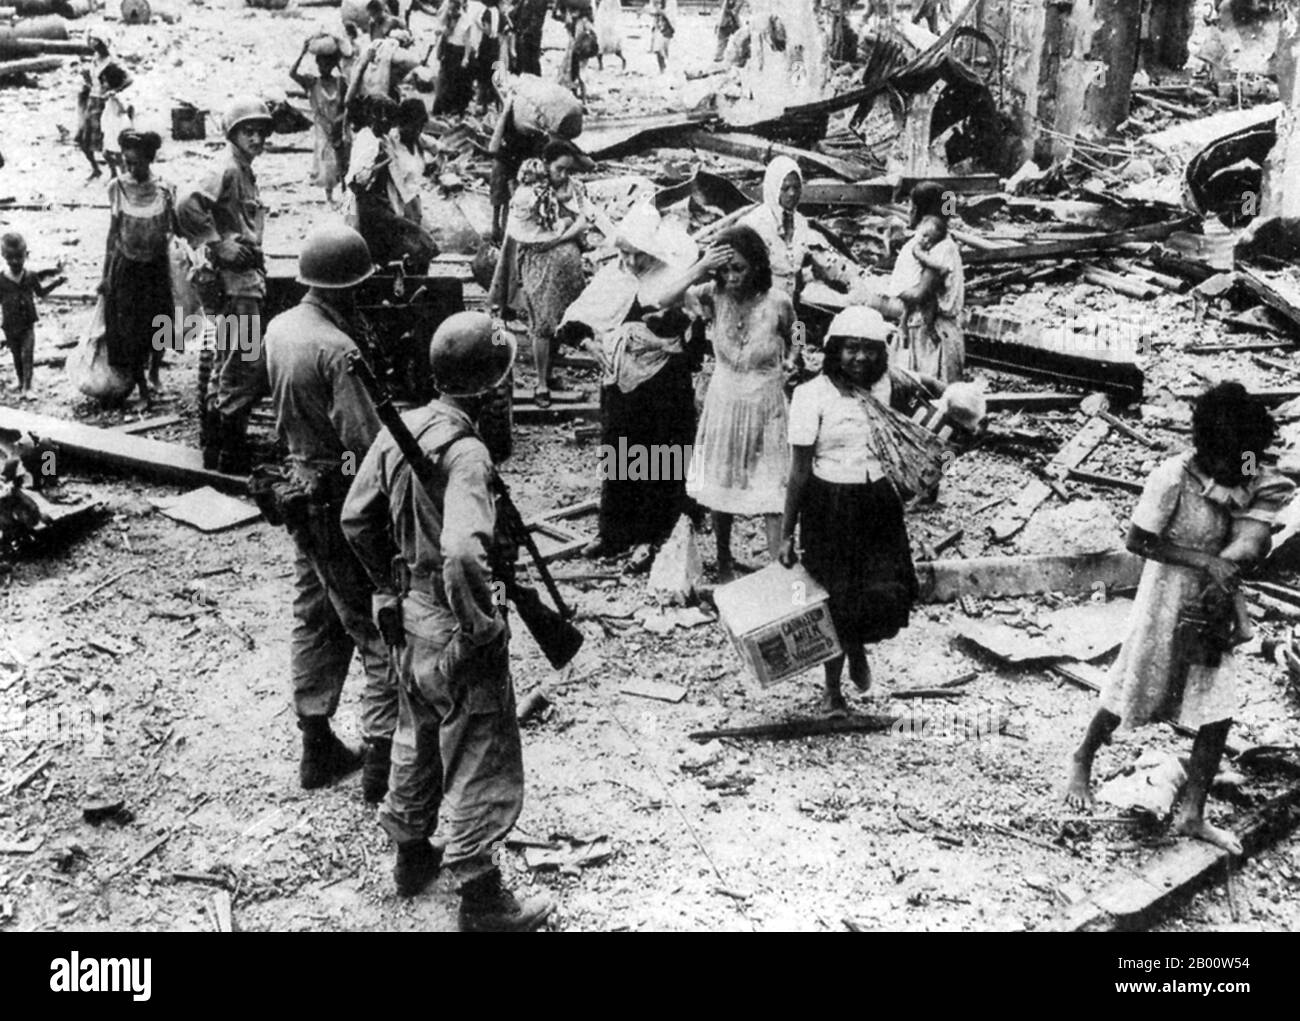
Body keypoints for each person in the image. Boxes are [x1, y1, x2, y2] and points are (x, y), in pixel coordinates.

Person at [341, 310, 556, 930]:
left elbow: (356, 520)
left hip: (410, 616)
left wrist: (388, 586)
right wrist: (481, 625)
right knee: (478, 749)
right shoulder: (466, 455)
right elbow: (464, 552)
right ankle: (482, 898)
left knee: (417, 734)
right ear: (491, 387)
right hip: (454, 620)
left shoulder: (403, 427)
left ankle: (412, 856)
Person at [1063, 383, 1295, 854]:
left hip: (1217, 597)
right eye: (1231, 459)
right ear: (1208, 448)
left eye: (1245, 457)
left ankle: (1192, 813)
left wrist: (1243, 547)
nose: (1239, 468)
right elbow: (1139, 542)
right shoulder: (1171, 477)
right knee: (1137, 684)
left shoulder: (1245, 462)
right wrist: (1203, 560)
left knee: (1217, 705)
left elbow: (1261, 489)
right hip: (1167, 593)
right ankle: (1083, 756)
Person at [263, 224, 399, 801]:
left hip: (300, 490)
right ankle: (381, 766)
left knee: (314, 615)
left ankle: (315, 742)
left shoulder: (279, 327)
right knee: (376, 623)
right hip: (342, 500)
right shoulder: (338, 350)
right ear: (348, 287)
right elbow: (366, 445)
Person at [779, 307, 926, 716]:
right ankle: (832, 691)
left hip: (878, 505)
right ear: (834, 351)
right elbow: (798, 470)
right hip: (830, 507)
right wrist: (786, 534)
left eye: (868, 350)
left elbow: (931, 409)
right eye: (850, 349)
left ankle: (857, 646)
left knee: (886, 592)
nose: (860, 358)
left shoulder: (886, 389)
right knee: (835, 600)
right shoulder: (812, 396)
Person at [559, 206, 707, 561]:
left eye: (636, 254)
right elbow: (574, 321)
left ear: (652, 252)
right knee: (620, 454)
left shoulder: (672, 278)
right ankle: (613, 533)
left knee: (660, 457)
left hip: (663, 384)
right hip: (621, 380)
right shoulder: (615, 275)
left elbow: (694, 335)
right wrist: (592, 345)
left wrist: (669, 345)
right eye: (623, 252)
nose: (629, 260)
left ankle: (653, 535)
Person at [682, 225, 794, 581]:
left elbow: (796, 332)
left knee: (774, 489)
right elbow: (661, 298)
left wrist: (794, 358)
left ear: (757, 267)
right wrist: (702, 266)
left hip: (767, 403)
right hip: (725, 401)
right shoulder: (711, 295)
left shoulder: (778, 301)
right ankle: (724, 561)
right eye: (726, 269)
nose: (731, 277)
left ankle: (779, 569)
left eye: (740, 269)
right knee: (722, 485)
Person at [177, 96, 273, 475]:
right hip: (236, 286)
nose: (257, 138)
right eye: (248, 131)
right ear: (232, 135)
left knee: (226, 360)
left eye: (261, 132)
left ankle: (216, 448)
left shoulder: (244, 171)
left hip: (242, 281)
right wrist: (217, 243)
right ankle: (229, 452)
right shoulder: (227, 169)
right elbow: (187, 203)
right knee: (242, 362)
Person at [507, 141, 595, 407]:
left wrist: (559, 237)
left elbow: (583, 221)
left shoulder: (575, 188)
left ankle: (550, 372)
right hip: (540, 265)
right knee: (542, 322)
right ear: (546, 164)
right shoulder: (531, 193)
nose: (564, 175)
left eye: (568, 170)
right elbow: (526, 233)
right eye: (559, 169)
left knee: (560, 319)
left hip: (567, 265)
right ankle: (541, 383)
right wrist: (560, 233)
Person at [100, 130, 175, 409]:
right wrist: (105, 276)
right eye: (126, 163)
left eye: (136, 163)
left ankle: (155, 372)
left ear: (149, 159)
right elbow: (112, 234)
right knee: (130, 328)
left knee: (161, 320)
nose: (131, 169)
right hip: (126, 266)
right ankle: (142, 388)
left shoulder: (165, 188)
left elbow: (174, 229)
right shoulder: (117, 187)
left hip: (155, 266)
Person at [739, 155, 859, 304]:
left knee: (800, 328)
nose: (792, 193)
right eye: (785, 188)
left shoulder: (800, 224)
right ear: (773, 188)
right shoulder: (754, 224)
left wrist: (854, 279)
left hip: (790, 310)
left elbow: (824, 258)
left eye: (796, 187)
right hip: (761, 309)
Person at [0, 234, 65, 397]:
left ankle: (28, 388)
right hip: (9, 324)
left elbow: (41, 293)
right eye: (10, 258)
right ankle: (21, 381)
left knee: (27, 354)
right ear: (3, 256)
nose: (15, 261)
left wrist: (56, 283)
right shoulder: (1, 279)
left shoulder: (30, 276)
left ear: (26, 255)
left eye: (19, 257)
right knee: (16, 355)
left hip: (27, 323)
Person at [291, 34, 350, 205]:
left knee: (344, 158)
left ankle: (346, 192)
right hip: (323, 127)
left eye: (327, 63)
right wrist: (302, 53)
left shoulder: (340, 82)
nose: (323, 67)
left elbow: (348, 104)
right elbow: (292, 73)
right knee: (327, 162)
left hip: (339, 124)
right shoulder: (312, 82)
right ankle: (330, 196)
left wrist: (341, 120)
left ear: (332, 65)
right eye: (320, 63)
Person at [75, 34, 112, 180]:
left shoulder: (111, 62)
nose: (93, 43)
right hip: (91, 101)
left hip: (103, 103)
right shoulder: (95, 59)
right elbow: (93, 80)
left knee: (104, 141)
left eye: (97, 41)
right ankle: (96, 168)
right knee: (82, 139)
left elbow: (125, 80)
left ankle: (114, 171)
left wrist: (113, 91)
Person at [98, 63, 134, 181]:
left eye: (105, 81)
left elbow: (124, 110)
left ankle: (123, 175)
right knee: (106, 153)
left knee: (115, 153)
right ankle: (114, 173)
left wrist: (115, 97)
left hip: (117, 126)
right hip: (110, 126)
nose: (103, 84)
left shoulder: (117, 95)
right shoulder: (109, 93)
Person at [510, 0, 548, 74]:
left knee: (530, 61)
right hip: (521, 32)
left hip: (530, 36)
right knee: (521, 59)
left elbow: (536, 21)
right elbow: (516, 13)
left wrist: (525, 32)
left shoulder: (539, 2)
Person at [593, 0, 626, 70]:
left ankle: (622, 59)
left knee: (610, 41)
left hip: (610, 20)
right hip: (604, 19)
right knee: (600, 42)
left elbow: (617, 12)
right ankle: (600, 64)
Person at [648, 0, 673, 73]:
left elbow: (670, 12)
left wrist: (658, 11)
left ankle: (666, 68)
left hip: (667, 25)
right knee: (657, 49)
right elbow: (651, 9)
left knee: (665, 48)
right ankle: (662, 69)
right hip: (658, 24)